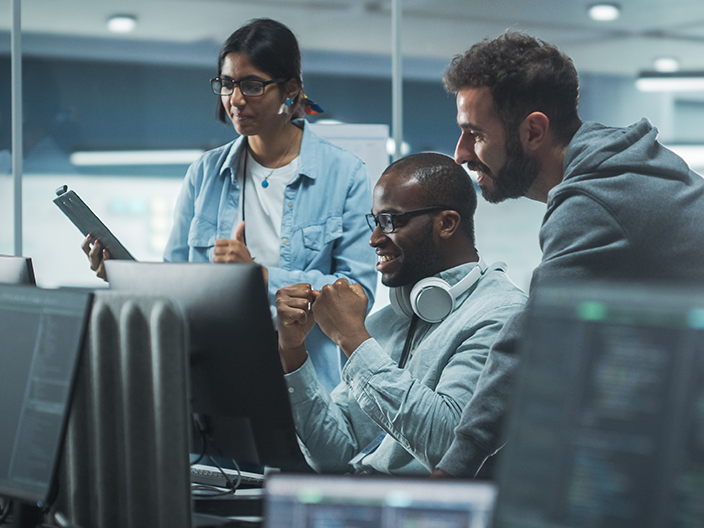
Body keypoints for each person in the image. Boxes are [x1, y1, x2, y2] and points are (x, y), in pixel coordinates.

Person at [433, 32, 704, 478]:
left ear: (534, 131)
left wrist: (452, 470)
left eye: (475, 134)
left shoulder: (593, 202)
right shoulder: (622, 162)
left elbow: (531, 344)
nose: (461, 153)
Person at [83, 18, 376, 391]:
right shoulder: (205, 174)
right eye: (227, 84)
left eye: (252, 86)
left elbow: (357, 297)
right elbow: (178, 285)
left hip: (305, 383)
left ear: (291, 89)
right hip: (213, 376)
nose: (235, 100)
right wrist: (123, 275)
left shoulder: (345, 174)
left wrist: (259, 277)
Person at [276, 152, 527, 474]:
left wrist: (353, 339)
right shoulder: (387, 320)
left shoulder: (501, 315)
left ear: (447, 223)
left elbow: (450, 449)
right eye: (375, 221)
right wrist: (292, 351)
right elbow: (336, 456)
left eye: (390, 221)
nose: (375, 239)